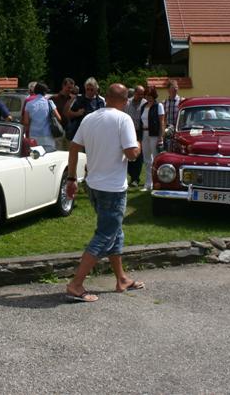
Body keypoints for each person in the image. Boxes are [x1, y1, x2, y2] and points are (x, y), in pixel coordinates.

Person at [64, 83, 143, 302]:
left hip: (94, 185)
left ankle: (122, 279)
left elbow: (73, 147)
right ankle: (76, 283)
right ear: (125, 101)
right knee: (105, 235)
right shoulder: (123, 119)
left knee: (115, 232)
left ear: (106, 97)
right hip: (113, 188)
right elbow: (132, 153)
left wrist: (71, 178)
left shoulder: (90, 118)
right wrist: (138, 144)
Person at [138, 85, 165, 192]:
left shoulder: (159, 106)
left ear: (154, 95)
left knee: (156, 159)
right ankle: (147, 184)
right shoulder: (144, 106)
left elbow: (162, 122)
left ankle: (157, 182)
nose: (148, 97)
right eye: (147, 95)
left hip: (154, 134)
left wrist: (161, 136)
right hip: (144, 134)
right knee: (147, 160)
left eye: (150, 95)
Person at [22, 82, 61, 152]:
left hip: (34, 136)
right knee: (49, 158)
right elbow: (59, 118)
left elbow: (26, 122)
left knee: (35, 158)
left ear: (35, 91)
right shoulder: (50, 103)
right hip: (48, 135)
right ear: (45, 92)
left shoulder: (29, 104)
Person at [125, 85, 146, 187]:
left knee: (138, 155)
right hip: (128, 132)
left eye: (142, 94)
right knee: (128, 154)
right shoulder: (127, 103)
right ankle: (131, 176)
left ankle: (135, 178)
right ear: (135, 93)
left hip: (139, 132)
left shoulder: (145, 103)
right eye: (139, 94)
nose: (141, 96)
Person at [50, 77, 76, 150]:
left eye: (72, 88)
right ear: (63, 86)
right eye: (68, 87)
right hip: (57, 130)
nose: (70, 90)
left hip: (70, 131)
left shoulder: (74, 98)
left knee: (70, 153)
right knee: (59, 153)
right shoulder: (53, 98)